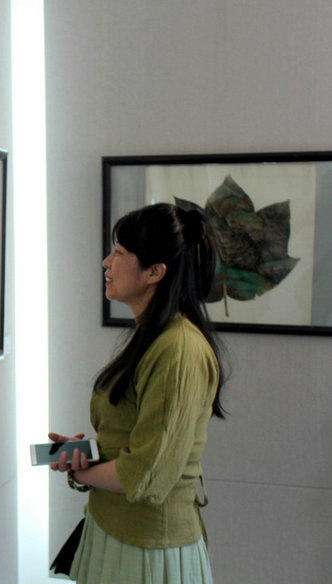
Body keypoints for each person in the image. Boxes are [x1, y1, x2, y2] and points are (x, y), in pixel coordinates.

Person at [50, 203, 226, 584]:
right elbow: (136, 444)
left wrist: (83, 469)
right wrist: (88, 456)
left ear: (155, 272)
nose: (106, 262)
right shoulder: (154, 339)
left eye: (120, 253)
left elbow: (145, 476)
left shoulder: (178, 350)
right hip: (115, 530)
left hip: (147, 547)